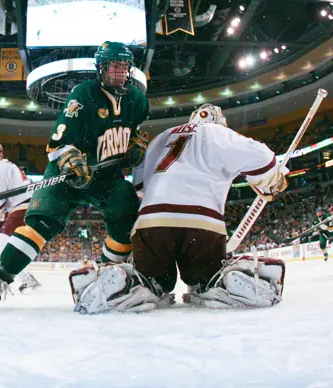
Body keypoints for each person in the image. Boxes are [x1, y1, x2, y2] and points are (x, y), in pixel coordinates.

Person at [70, 103, 288, 314]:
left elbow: (140, 186)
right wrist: (270, 179)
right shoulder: (218, 133)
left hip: (152, 222)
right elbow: (262, 158)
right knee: (205, 277)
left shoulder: (161, 138)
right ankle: (222, 283)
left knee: (153, 280)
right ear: (220, 122)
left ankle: (127, 282)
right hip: (203, 222)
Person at [0, 41, 149, 305]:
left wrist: (134, 145)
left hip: (107, 175)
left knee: (126, 221)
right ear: (101, 68)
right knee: (40, 224)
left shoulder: (138, 100)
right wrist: (70, 158)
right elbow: (58, 141)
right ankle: (1, 277)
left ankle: (107, 274)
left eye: (124, 66)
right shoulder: (83, 94)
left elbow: (132, 133)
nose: (119, 72)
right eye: (114, 66)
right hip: (67, 175)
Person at [0, 141, 41, 294]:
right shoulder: (5, 167)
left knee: (0, 240)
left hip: (24, 207)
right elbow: (0, 208)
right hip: (20, 208)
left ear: (0, 155)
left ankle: (26, 278)